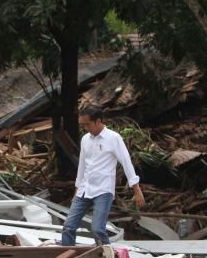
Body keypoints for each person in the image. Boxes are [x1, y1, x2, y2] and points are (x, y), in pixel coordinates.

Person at [61, 105, 145, 246]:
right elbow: (82, 165)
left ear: (98, 121)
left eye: (88, 124)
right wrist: (77, 188)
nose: (86, 127)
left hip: (103, 190)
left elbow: (126, 162)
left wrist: (136, 188)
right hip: (85, 189)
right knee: (69, 226)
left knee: (97, 229)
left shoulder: (113, 138)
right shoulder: (85, 139)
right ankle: (67, 257)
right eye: (84, 124)